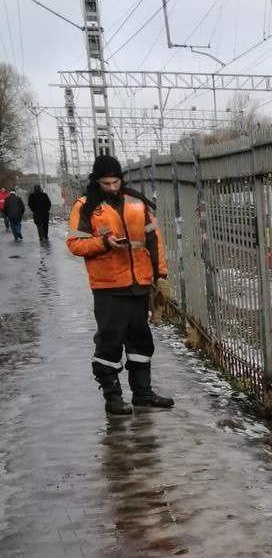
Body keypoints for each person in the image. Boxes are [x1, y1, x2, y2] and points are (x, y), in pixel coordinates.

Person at [66, 154, 175, 415]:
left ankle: (142, 394)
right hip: (108, 287)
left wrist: (160, 275)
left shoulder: (137, 202)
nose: (113, 188)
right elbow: (75, 244)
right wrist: (104, 243)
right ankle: (113, 398)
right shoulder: (85, 206)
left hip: (139, 282)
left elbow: (153, 240)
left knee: (141, 339)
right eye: (106, 183)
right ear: (96, 182)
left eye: (116, 182)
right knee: (110, 341)